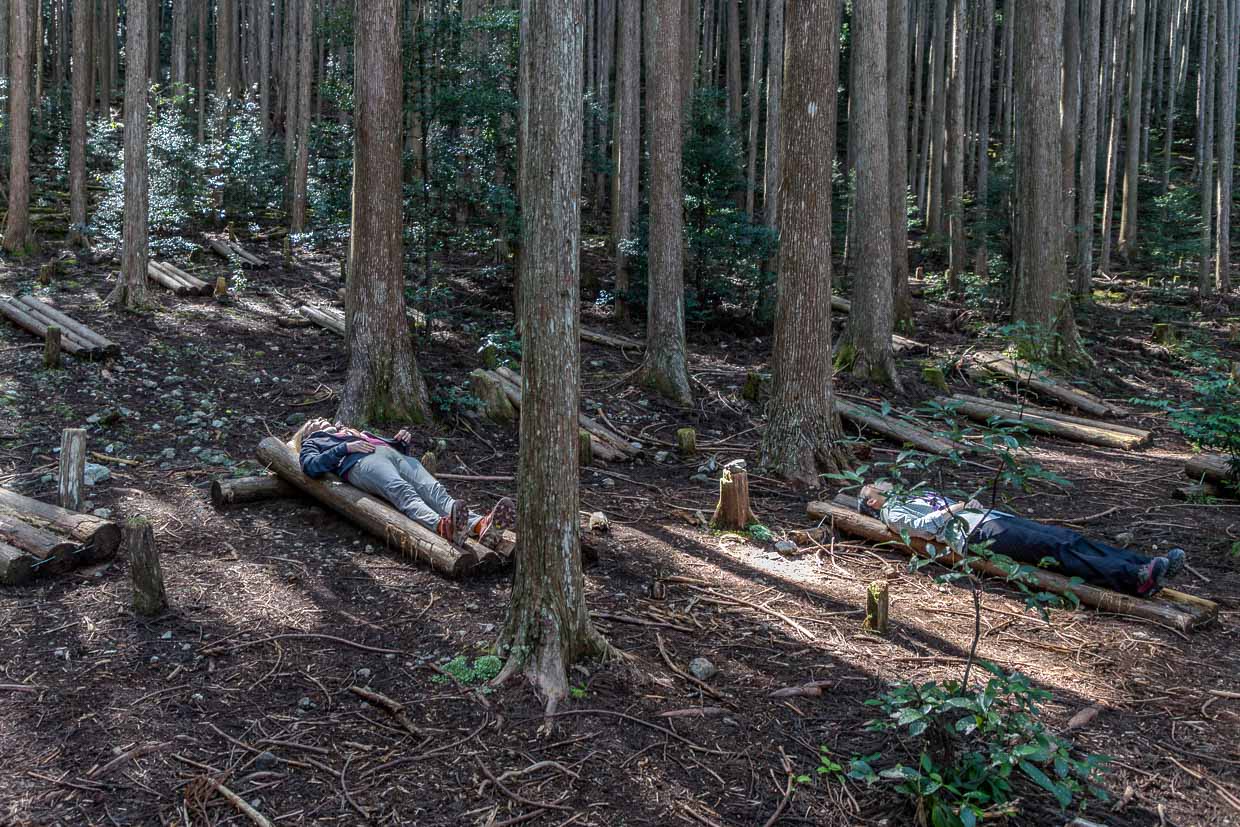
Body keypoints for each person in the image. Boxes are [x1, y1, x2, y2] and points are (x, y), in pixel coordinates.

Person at [858, 481, 1186, 597]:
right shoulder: (892, 513)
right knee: (1055, 549)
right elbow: (923, 527)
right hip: (977, 534)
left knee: (1066, 537)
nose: (882, 484)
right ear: (873, 502)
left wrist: (967, 506)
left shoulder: (910, 495)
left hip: (989, 519)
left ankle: (1146, 564)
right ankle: (1133, 580)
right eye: (876, 487)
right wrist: (958, 507)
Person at [292, 418, 514, 545]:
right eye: (312, 422)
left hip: (393, 455)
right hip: (361, 463)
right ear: (306, 435)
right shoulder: (316, 442)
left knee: (435, 490)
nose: (319, 420)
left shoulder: (351, 430)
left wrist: (399, 442)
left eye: (320, 419)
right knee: (403, 492)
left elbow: (388, 445)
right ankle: (443, 526)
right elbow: (310, 466)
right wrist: (344, 447)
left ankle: (479, 525)